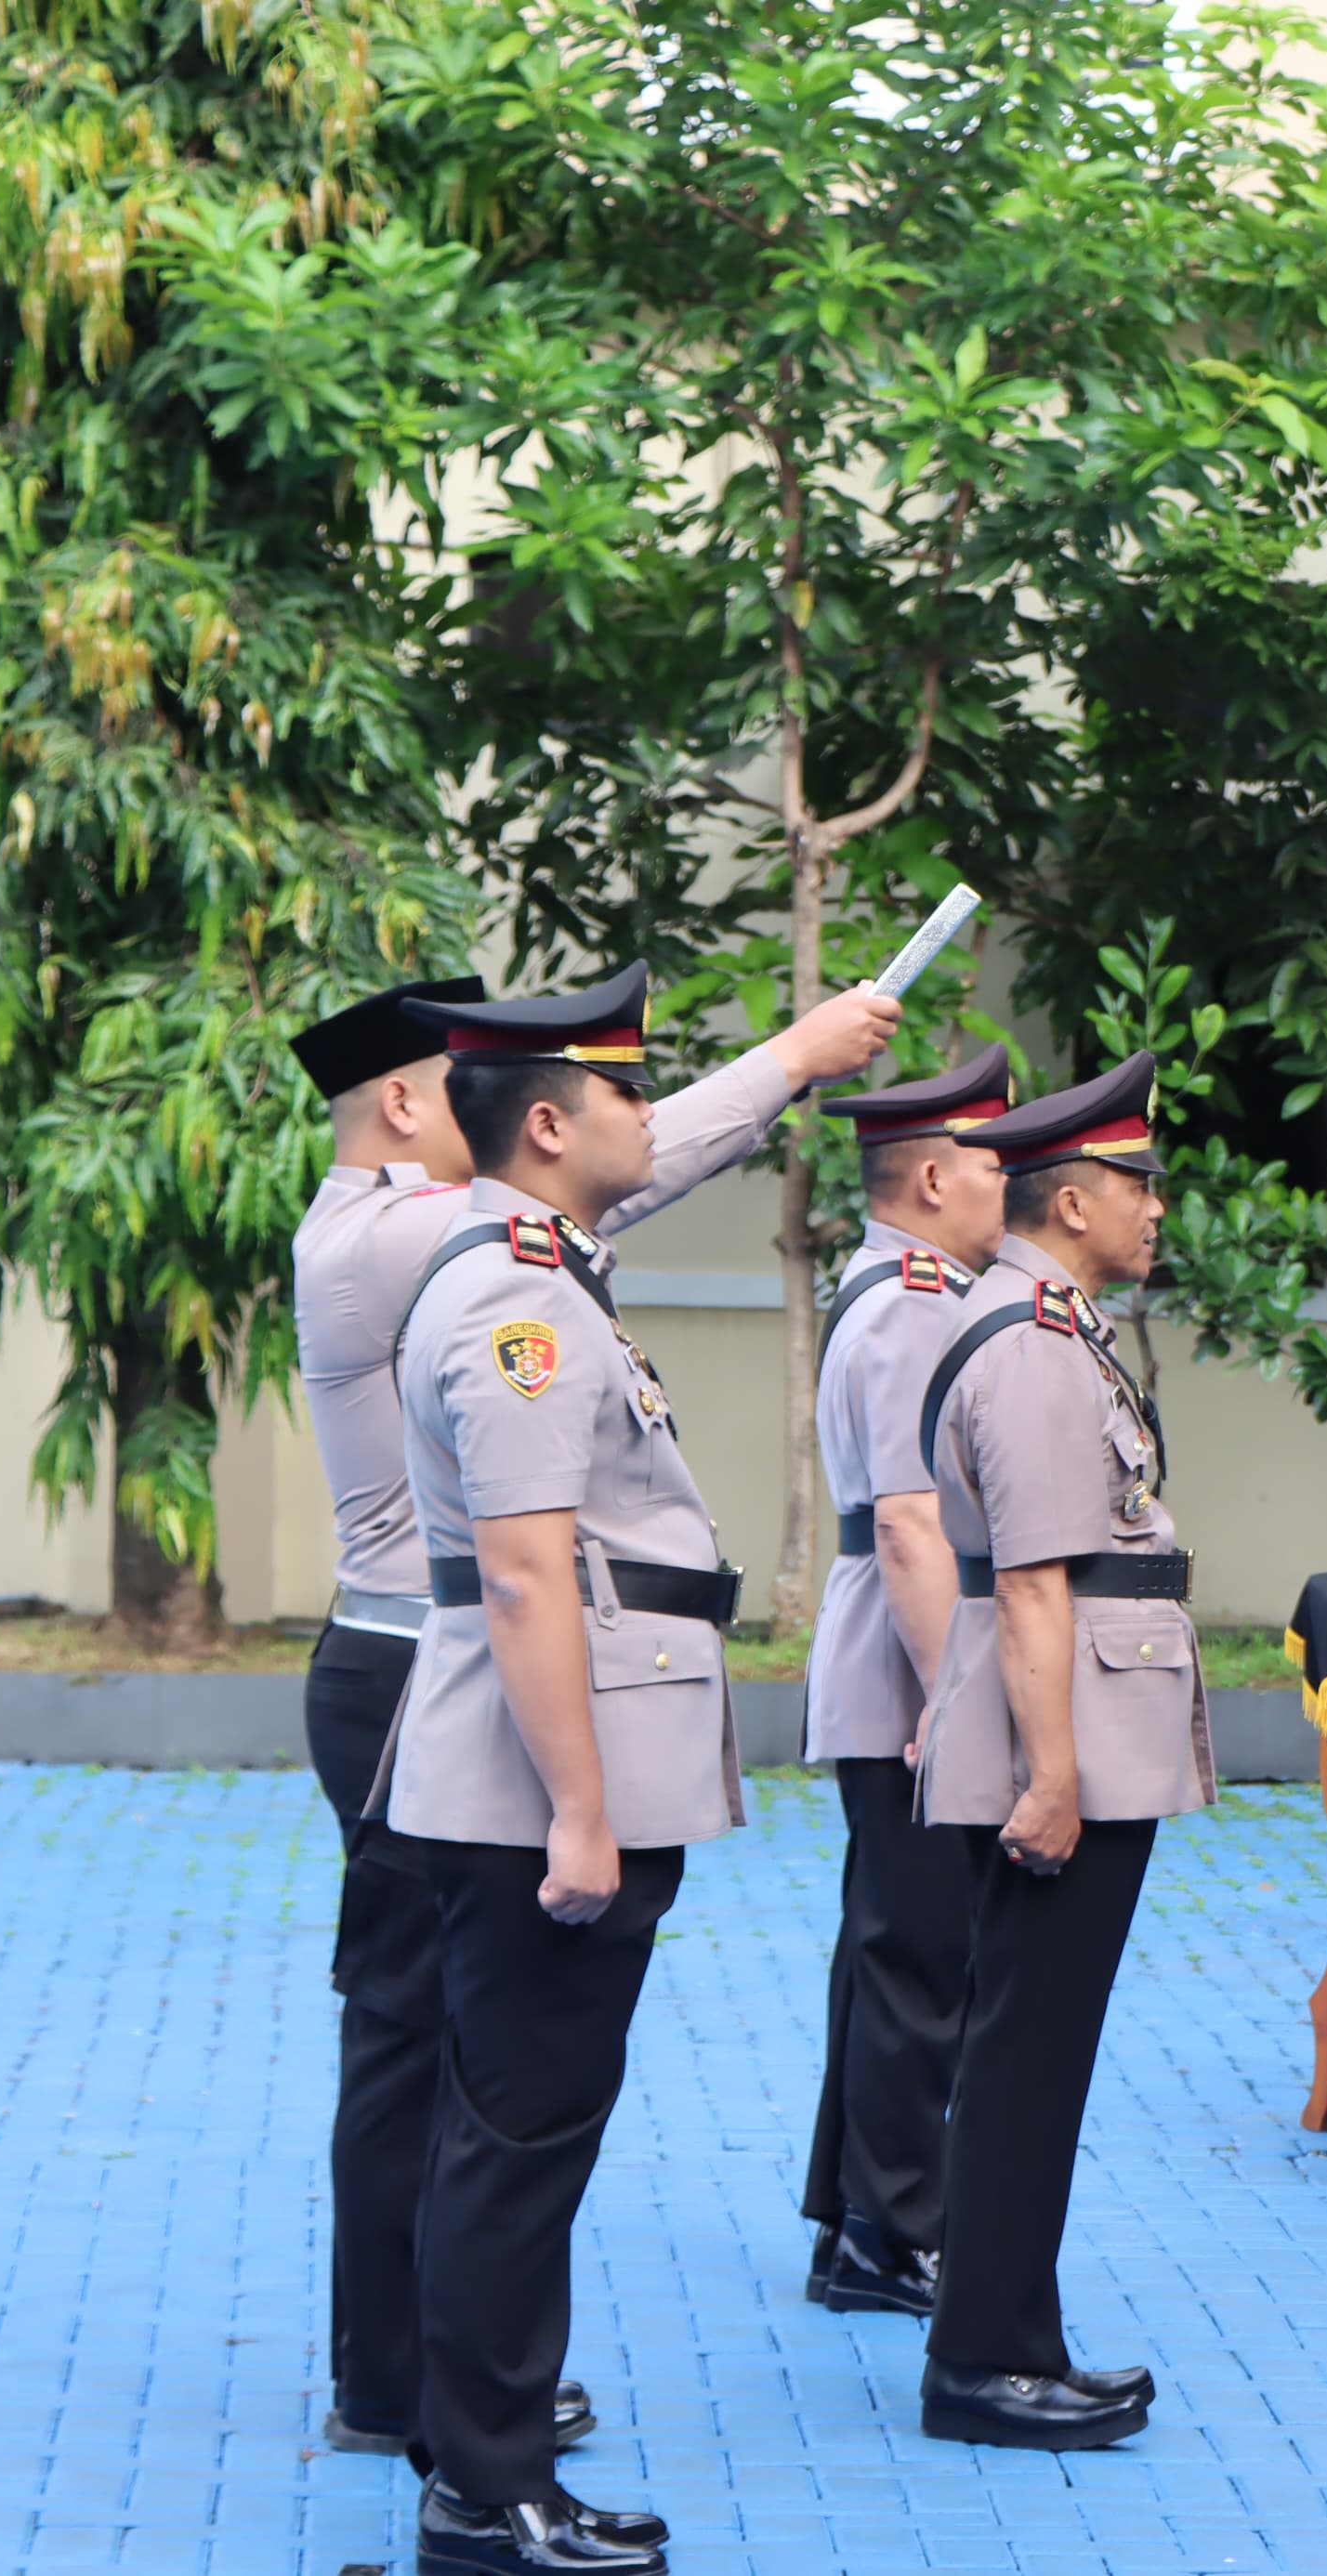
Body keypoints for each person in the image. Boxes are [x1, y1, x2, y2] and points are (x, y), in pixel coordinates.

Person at [283, 964, 894, 2475]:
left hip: (428, 1654)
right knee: (446, 2057)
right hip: (429, 1665)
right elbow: (630, 1162)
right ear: (425, 1102)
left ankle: (423, 2376)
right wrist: (796, 1056)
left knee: (443, 2051)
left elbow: (606, 1161)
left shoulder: (438, 1229)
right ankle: (424, 2386)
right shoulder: (404, 1236)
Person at [913, 1055, 1205, 2450]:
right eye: (1142, 1184)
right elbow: (1035, 1580)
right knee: (1027, 2055)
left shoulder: (1055, 1324)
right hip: (1062, 1747)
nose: (1160, 1206)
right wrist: (1053, 1772)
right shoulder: (1030, 1342)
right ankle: (984, 2362)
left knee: (1033, 2049)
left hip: (1080, 1731)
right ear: (1077, 1197)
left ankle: (1011, 2338)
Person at [796, 1051, 1011, 2327]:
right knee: (923, 1956)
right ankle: (890, 2228)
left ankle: (858, 2216)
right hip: (907, 1656)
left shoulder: (895, 1293)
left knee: (893, 1944)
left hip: (893, 1649)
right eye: (992, 1165)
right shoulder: (914, 1310)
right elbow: (913, 1529)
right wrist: (957, 1695)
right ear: (932, 1178)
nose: (1007, 1185)